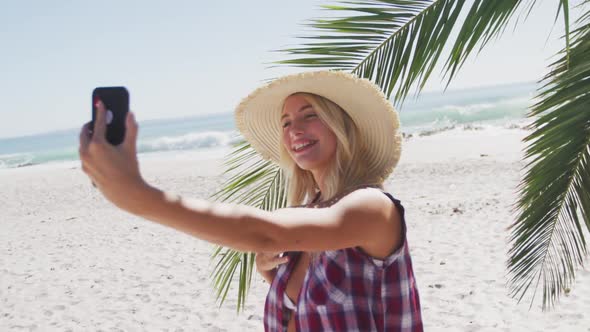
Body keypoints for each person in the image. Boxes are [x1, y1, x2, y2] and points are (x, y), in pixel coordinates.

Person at [79, 70, 423, 331]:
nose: (293, 130)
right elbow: (318, 308)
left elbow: (266, 232)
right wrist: (275, 279)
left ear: (342, 126)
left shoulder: (373, 207)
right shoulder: (307, 216)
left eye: (309, 115)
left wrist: (139, 196)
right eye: (286, 122)